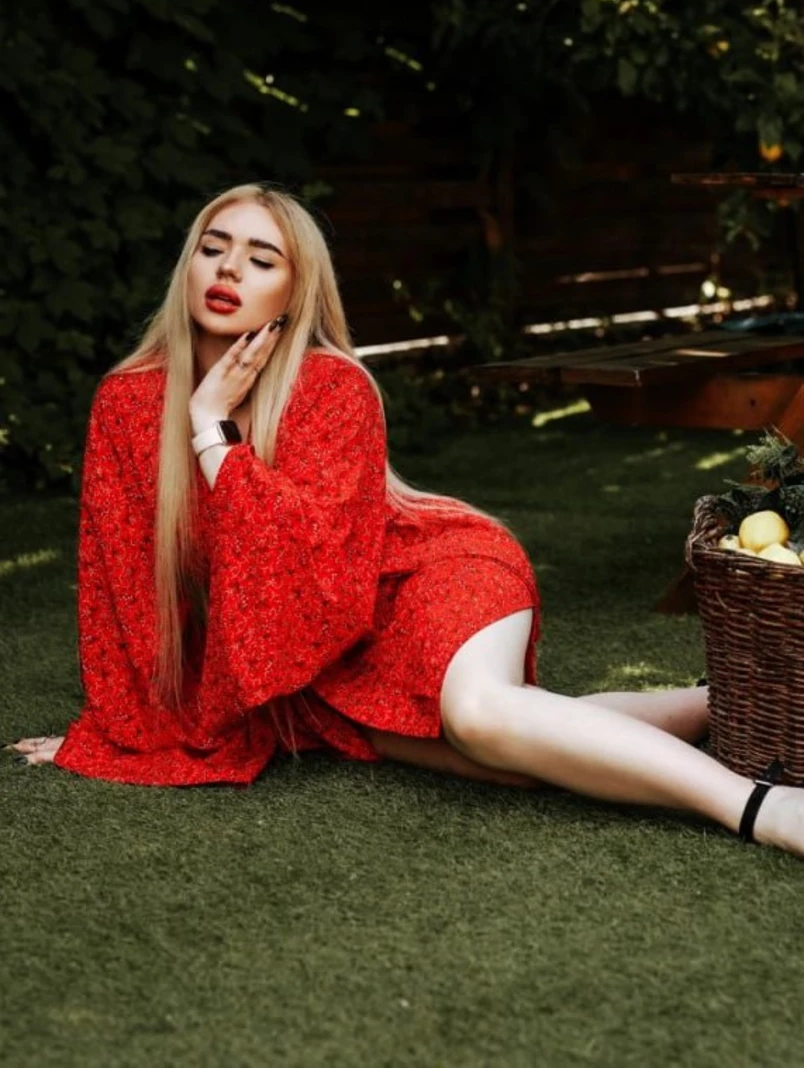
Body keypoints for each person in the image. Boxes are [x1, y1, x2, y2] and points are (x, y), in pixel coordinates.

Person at [8, 184, 804, 859]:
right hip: (318, 654)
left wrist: (214, 435)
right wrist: (116, 727)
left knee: (480, 716)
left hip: (423, 575)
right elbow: (124, 588)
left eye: (261, 258)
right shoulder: (127, 403)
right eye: (212, 249)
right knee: (512, 758)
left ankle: (759, 807)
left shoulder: (333, 388)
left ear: (296, 291)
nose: (228, 270)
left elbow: (305, 563)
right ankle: (719, 702)